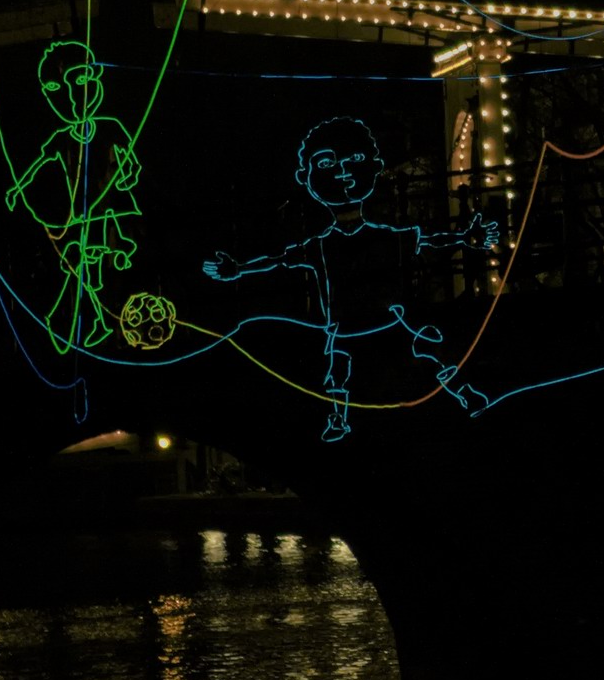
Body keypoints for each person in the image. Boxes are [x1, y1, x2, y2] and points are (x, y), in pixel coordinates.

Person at [203, 116, 498, 442]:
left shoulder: (383, 237)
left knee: (420, 348)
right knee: (346, 365)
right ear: (306, 176)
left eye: (354, 159)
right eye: (326, 164)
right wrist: (240, 268)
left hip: (380, 319)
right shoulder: (322, 245)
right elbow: (279, 260)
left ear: (374, 166)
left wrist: (465, 238)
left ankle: (465, 395)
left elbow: (427, 239)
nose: (342, 171)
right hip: (351, 324)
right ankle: (340, 419)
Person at [6, 40, 142, 351]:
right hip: (81, 213)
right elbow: (38, 164)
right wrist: (17, 189)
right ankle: (98, 322)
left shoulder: (109, 127)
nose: (70, 96)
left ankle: (101, 322)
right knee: (81, 264)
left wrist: (128, 175)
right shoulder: (62, 138)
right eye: (56, 87)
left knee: (92, 264)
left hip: (109, 212)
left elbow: (132, 163)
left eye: (80, 80)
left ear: (95, 79)